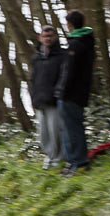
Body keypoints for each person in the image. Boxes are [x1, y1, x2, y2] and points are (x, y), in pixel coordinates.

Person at [55, 10, 95, 177]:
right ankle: (72, 161)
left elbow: (69, 73)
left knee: (72, 129)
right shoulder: (84, 42)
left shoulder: (77, 45)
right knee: (68, 128)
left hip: (71, 94)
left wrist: (61, 91)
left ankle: (79, 162)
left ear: (70, 25)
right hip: (75, 93)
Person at [30, 25, 65, 170]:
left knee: (56, 131)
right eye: (45, 36)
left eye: (50, 36)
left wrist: (58, 93)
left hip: (54, 101)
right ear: (40, 38)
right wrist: (33, 97)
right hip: (40, 100)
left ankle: (58, 158)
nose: (48, 39)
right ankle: (49, 157)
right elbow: (33, 78)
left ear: (55, 37)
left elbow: (64, 77)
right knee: (43, 133)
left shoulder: (61, 56)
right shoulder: (36, 58)